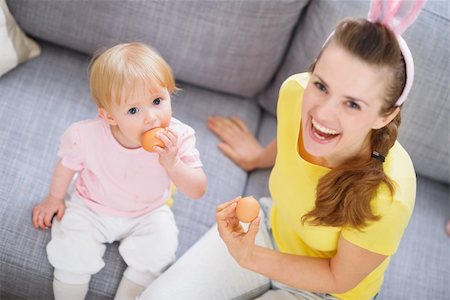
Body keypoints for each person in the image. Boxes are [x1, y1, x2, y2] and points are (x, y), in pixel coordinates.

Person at [138, 1, 425, 299]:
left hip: (323, 291)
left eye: (352, 104)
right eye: (322, 86)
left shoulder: (390, 195)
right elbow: (296, 130)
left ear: (386, 115)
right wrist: (259, 156)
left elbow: (339, 277)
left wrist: (248, 256)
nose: (322, 113)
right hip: (270, 231)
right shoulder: (295, 93)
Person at [31, 42, 207, 300]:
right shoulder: (85, 136)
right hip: (92, 206)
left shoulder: (178, 138)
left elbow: (198, 189)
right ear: (110, 117)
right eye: (133, 110)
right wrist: (55, 198)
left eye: (157, 100)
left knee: (160, 249)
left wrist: (172, 163)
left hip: (148, 211)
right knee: (71, 251)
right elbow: (67, 165)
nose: (151, 118)